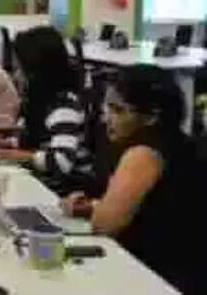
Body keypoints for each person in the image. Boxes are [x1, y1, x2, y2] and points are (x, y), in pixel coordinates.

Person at [61, 65, 207, 294]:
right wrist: (91, 207)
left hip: (157, 278)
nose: (106, 118)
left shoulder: (143, 154)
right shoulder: (179, 144)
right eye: (107, 107)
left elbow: (104, 225)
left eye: (118, 110)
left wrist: (99, 209)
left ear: (151, 117)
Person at [0, 27, 92, 192]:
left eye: (20, 69)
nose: (16, 76)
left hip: (64, 190)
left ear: (37, 72)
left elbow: (60, 162)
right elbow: (31, 140)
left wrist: (6, 154)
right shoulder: (39, 101)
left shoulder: (63, 106)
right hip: (43, 182)